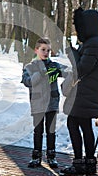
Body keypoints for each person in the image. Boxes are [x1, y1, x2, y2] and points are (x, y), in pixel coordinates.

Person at [60, 7, 98, 176]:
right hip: (88, 92)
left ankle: (79, 164)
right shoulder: (96, 41)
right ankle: (89, 163)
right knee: (85, 127)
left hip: (85, 93)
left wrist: (71, 52)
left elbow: (82, 68)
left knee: (73, 124)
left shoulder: (95, 43)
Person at [21, 38, 66, 168]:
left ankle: (51, 157)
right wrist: (39, 74)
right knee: (38, 131)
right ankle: (36, 157)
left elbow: (68, 72)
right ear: (36, 50)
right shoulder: (30, 66)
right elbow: (26, 81)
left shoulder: (54, 65)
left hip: (52, 102)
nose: (46, 52)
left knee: (51, 131)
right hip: (37, 103)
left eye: (48, 50)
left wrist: (62, 72)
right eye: (43, 50)